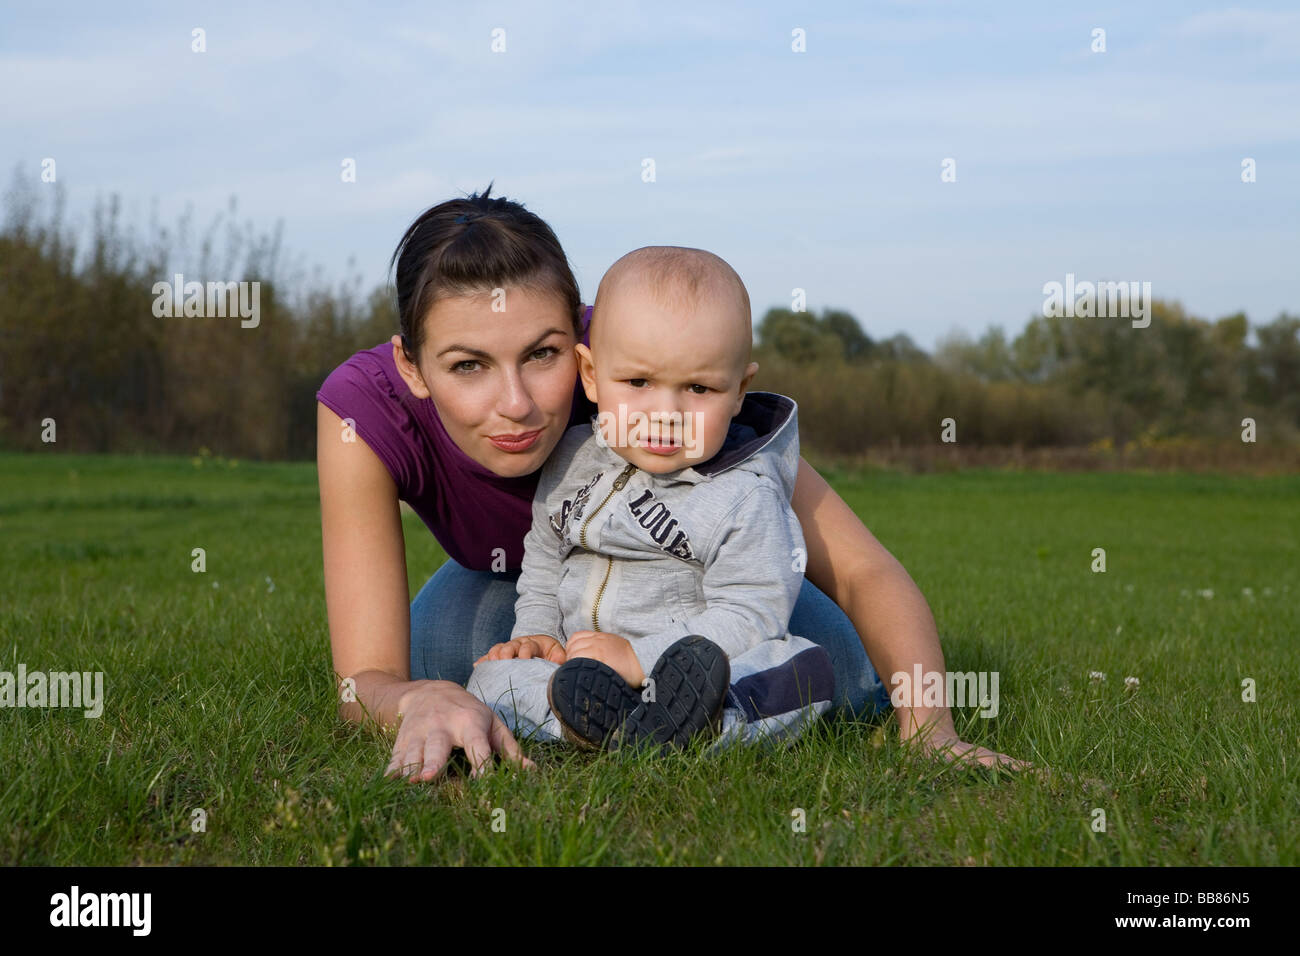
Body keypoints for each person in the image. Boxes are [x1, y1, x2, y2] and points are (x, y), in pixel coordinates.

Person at [315, 184, 1029, 781]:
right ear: (411, 366)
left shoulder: (645, 368)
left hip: (699, 594)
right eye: (468, 365)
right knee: (439, 648)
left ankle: (694, 706)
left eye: (543, 354)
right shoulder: (365, 408)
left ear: (582, 343)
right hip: (538, 591)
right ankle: (615, 712)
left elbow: (862, 568)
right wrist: (419, 698)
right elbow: (363, 681)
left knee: (841, 669)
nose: (518, 404)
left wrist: (931, 724)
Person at [467, 246, 835, 752]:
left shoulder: (743, 493)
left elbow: (752, 613)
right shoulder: (573, 456)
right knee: (491, 680)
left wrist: (641, 658)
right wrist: (536, 634)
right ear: (591, 375)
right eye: (638, 382)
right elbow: (545, 558)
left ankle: (703, 721)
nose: (665, 412)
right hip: (587, 670)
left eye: (699, 389)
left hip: (694, 665)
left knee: (795, 668)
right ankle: (601, 722)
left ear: (739, 391)